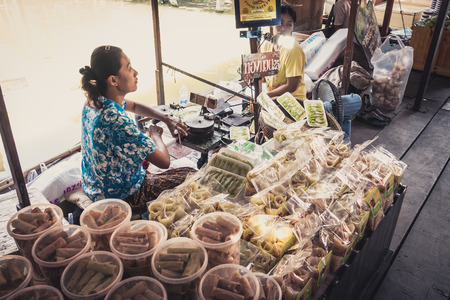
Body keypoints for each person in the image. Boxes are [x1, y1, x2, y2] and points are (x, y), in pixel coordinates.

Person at [79, 45, 195, 215]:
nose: (136, 72)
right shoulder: (117, 121)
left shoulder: (95, 100)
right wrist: (155, 136)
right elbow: (164, 161)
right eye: (129, 68)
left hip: (92, 184)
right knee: (192, 175)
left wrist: (166, 118)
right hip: (122, 197)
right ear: (113, 80)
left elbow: (133, 105)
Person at [261, 3, 307, 100]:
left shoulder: (292, 48)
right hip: (274, 95)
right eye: (280, 23)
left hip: (293, 99)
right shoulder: (267, 44)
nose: (283, 28)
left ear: (293, 27)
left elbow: (291, 86)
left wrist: (265, 97)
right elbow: (265, 76)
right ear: (272, 24)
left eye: (288, 24)